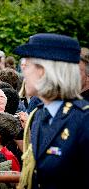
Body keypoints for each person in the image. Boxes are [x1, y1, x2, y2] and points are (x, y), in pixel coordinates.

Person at [14, 33, 89, 189]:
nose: (22, 70)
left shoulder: (84, 120)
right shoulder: (40, 114)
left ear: (44, 71)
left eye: (27, 64)